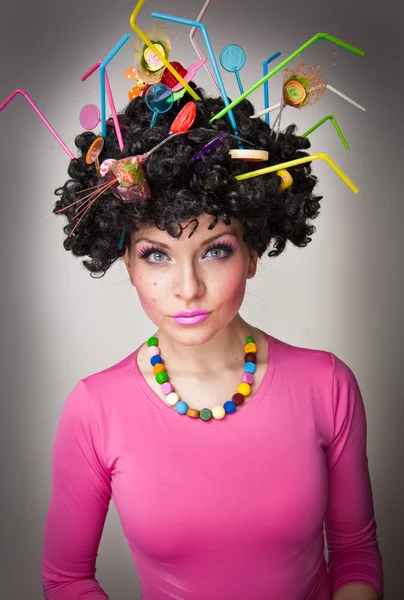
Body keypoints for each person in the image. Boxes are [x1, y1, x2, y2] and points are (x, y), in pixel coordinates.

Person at [39, 71, 383, 600]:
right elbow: (67, 579)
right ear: (126, 262)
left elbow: (356, 556)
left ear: (251, 255)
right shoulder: (94, 409)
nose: (188, 288)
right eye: (156, 254)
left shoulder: (328, 385)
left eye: (215, 250)